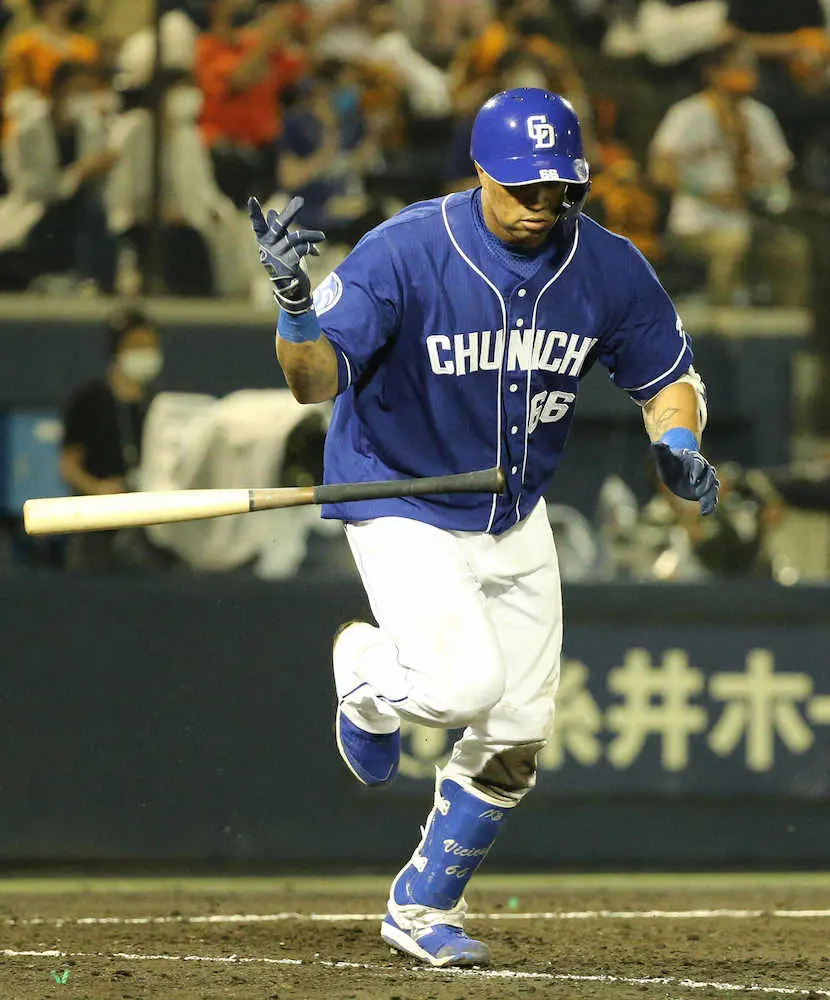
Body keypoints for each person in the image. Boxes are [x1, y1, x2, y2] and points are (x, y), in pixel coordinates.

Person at [248, 88, 719, 967]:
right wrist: (294, 306)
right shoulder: (406, 250)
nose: (541, 204)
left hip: (512, 506)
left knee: (520, 729)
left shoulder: (607, 265)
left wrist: (679, 441)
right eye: (521, 187)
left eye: (557, 189)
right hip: (400, 490)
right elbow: (313, 384)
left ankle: (422, 905)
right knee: (461, 686)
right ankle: (365, 674)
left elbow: (666, 377)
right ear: (479, 171)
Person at [649, 41, 810, 306]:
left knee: (792, 250)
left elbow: (779, 169)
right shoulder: (687, 114)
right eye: (739, 67)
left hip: (751, 219)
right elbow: (660, 171)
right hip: (697, 223)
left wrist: (763, 188)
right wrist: (707, 193)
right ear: (714, 72)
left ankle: (790, 326)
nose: (748, 74)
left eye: (751, 68)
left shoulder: (759, 116)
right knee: (731, 246)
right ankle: (720, 326)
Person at [60, 308, 166, 570]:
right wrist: (99, 489)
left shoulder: (160, 403)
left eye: (151, 346)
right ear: (118, 350)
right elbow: (69, 465)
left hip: (146, 520)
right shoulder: (89, 400)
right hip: (96, 522)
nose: (146, 353)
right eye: (137, 346)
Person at [0, 59, 117, 293]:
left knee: (93, 211)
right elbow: (32, 188)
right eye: (78, 90)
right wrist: (79, 172)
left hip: (80, 212)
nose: (83, 99)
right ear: (57, 91)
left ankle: (97, 284)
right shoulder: (29, 130)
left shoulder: (91, 127)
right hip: (38, 213)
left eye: (87, 92)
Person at [4, 0, 99, 106]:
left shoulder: (87, 49)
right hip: (32, 111)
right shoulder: (24, 46)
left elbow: (93, 93)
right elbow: (14, 95)